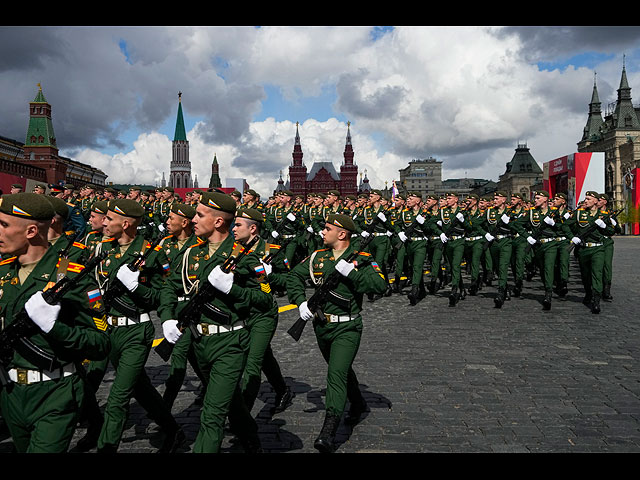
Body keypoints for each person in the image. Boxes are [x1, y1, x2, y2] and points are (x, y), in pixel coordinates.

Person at [157, 192, 273, 453]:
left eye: (199, 215)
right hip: (199, 343)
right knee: (230, 399)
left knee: (211, 415)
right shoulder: (190, 254)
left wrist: (234, 290)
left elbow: (265, 300)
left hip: (229, 342)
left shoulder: (244, 256)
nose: (193, 220)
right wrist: (167, 318)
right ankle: (250, 434)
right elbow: (169, 288)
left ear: (219, 222)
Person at [0, 193, 110, 452]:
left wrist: (54, 327)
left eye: (4, 225)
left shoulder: (71, 277)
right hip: (11, 393)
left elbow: (101, 342)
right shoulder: (4, 272)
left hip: (55, 393)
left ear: (31, 231)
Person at [286, 213, 387, 453]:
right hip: (322, 327)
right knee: (340, 369)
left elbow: (380, 285)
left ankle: (329, 430)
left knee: (336, 374)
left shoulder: (361, 258)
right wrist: (301, 302)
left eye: (327, 228)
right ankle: (358, 402)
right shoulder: (317, 257)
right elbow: (294, 277)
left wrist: (351, 273)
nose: (322, 232)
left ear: (342, 234)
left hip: (347, 327)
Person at [94, 199, 184, 453]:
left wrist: (137, 287)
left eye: (109, 218)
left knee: (118, 398)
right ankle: (173, 430)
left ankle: (106, 447)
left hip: (136, 330)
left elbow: (163, 295)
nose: (104, 222)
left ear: (125, 223)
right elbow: (92, 285)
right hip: (109, 327)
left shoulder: (151, 254)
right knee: (140, 388)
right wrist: (95, 305)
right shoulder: (104, 249)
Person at [231, 208, 294, 415]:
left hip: (263, 312)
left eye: (238, 225)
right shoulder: (231, 250)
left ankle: (243, 416)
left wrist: (271, 276)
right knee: (263, 354)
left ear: (253, 228)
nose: (234, 229)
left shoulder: (272, 250)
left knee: (252, 363)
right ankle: (283, 390)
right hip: (239, 311)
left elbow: (289, 280)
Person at [157, 203, 207, 410]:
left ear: (184, 222)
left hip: (192, 308)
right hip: (171, 305)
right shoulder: (164, 244)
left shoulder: (200, 245)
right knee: (193, 355)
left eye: (171, 219)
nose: (167, 222)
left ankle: (163, 408)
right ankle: (209, 384)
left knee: (178, 358)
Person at [511, 190, 559, 310]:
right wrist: (528, 237)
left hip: (550, 244)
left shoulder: (554, 212)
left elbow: (564, 228)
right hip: (538, 245)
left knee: (548, 267)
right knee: (543, 270)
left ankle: (548, 294)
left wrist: (554, 224)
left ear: (545, 199)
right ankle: (547, 286)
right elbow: (517, 224)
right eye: (535, 198)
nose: (535, 200)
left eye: (538, 198)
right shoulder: (531, 212)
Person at [569, 191, 615, 314]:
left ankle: (596, 300)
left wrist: (604, 226)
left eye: (589, 199)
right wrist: (573, 237)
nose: (586, 201)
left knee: (597, 273)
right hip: (584, 249)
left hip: (598, 249)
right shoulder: (579, 214)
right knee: (585, 275)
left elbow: (611, 231)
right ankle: (588, 293)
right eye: (585, 198)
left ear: (596, 201)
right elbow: (566, 226)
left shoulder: (604, 215)